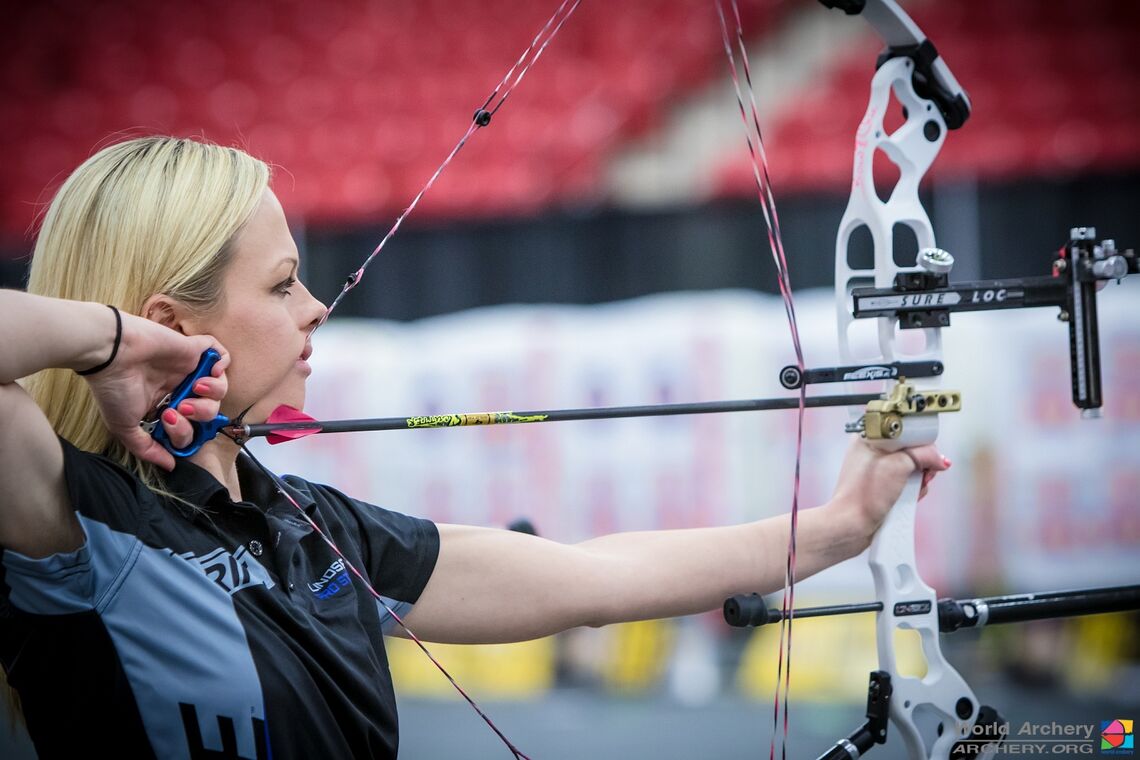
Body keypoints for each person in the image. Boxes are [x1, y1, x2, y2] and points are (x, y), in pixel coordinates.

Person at [0, 136, 949, 759]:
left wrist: (834, 529)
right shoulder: (74, 526)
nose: (316, 308)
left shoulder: (314, 529)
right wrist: (114, 342)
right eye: (284, 284)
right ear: (173, 323)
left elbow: (590, 574)